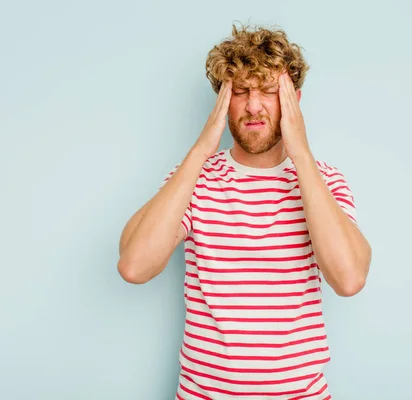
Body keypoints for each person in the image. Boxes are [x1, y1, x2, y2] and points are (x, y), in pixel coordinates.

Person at [118, 23, 372, 400]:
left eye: (269, 90)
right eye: (240, 91)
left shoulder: (325, 182)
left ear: (294, 99)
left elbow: (349, 279)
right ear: (223, 101)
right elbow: (135, 266)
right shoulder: (194, 180)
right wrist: (203, 148)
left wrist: (301, 152)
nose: (254, 105)